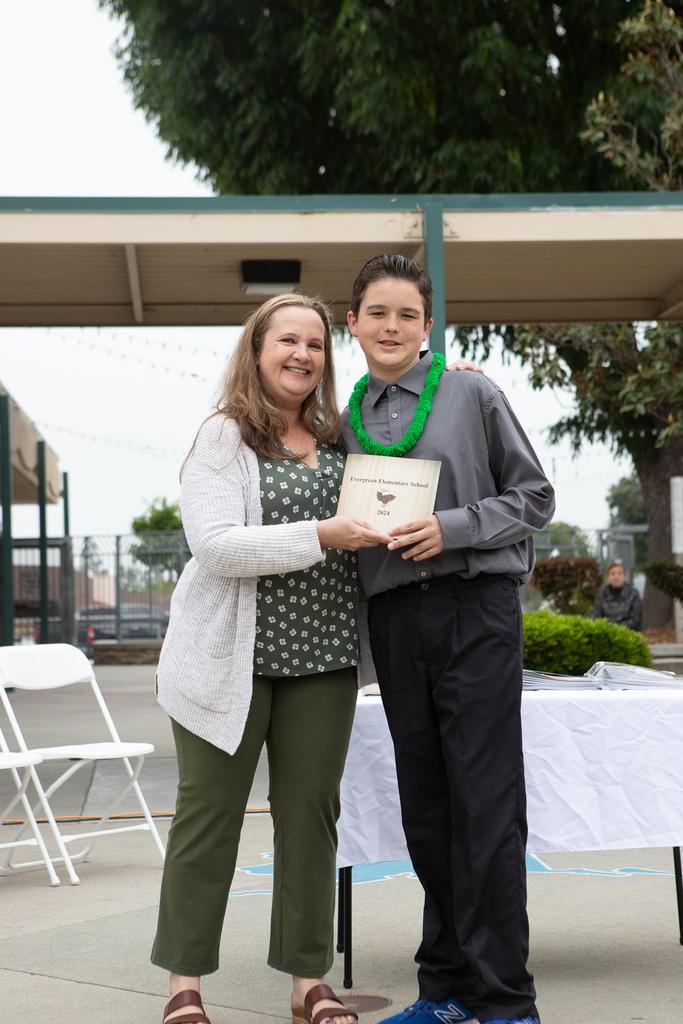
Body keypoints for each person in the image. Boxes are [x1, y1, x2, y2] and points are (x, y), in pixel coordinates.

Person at [151, 292, 392, 1024]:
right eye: (287, 340)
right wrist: (321, 534)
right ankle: (185, 985)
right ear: (256, 351)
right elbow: (215, 546)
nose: (302, 354)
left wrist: (455, 381)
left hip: (323, 660)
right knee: (208, 817)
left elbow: (408, 450)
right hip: (226, 662)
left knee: (311, 818)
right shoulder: (224, 437)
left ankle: (308, 982)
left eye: (315, 344)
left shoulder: (340, 435)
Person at [342, 255, 556, 1024]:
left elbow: (535, 496)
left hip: (475, 611)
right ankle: (444, 990)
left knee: (485, 808)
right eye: (376, 312)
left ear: (426, 326)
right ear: (352, 323)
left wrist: (454, 528)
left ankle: (506, 1002)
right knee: (427, 813)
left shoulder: (470, 392)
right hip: (396, 622)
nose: (390, 326)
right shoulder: (345, 417)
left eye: (406, 314)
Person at [590, 560, 642, 631]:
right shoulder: (602, 595)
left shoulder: (633, 594)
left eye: (619, 574)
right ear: (608, 577)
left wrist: (617, 628)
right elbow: (594, 616)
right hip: (606, 632)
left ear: (624, 576)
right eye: (612, 574)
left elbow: (636, 620)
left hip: (628, 633)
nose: (616, 577)